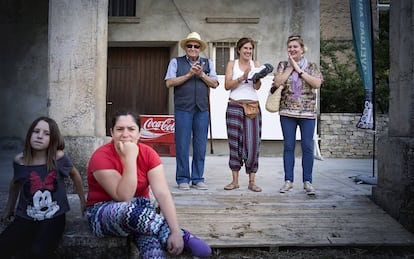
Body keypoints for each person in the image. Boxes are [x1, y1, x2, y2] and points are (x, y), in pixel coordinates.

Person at [85, 111, 211, 259]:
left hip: (142, 215)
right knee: (126, 210)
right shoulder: (101, 156)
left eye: (131, 129)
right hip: (104, 212)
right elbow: (124, 196)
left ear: (139, 133)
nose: (125, 134)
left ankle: (177, 235)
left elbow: (163, 194)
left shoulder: (149, 154)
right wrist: (130, 159)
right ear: (112, 132)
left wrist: (175, 231)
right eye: (120, 129)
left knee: (154, 252)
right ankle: (185, 237)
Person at [0, 116, 86, 258]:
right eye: (36, 131)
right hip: (26, 215)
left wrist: (83, 201)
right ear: (29, 135)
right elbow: (15, 183)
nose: (40, 136)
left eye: (46, 134)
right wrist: (9, 208)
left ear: (53, 139)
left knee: (38, 251)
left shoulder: (58, 158)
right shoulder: (20, 160)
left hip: (54, 215)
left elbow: (75, 175)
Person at [165, 32, 219, 190]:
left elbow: (215, 84)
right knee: (182, 144)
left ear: (200, 48)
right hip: (183, 109)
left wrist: (201, 74)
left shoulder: (207, 62)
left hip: (202, 109)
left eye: (196, 46)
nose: (193, 48)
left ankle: (197, 178)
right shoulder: (176, 62)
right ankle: (182, 178)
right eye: (190, 46)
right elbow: (169, 83)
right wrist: (189, 74)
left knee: (200, 144)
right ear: (185, 47)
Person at [272, 35, 323, 195]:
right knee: (289, 146)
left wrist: (299, 70)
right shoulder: (282, 65)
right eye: (290, 47)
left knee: (307, 146)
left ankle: (307, 181)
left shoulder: (312, 66)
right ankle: (288, 181)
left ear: (302, 49)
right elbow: (277, 82)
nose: (292, 49)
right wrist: (290, 67)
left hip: (307, 113)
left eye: (295, 47)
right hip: (287, 112)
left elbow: (316, 84)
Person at [223, 37, 273, 193]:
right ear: (239, 50)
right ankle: (235, 181)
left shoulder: (255, 64)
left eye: (250, 49)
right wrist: (242, 77)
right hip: (234, 106)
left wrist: (256, 77)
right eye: (245, 48)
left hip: (252, 107)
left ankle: (252, 181)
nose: (248, 51)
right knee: (234, 144)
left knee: (252, 144)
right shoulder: (232, 64)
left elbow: (257, 87)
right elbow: (226, 86)